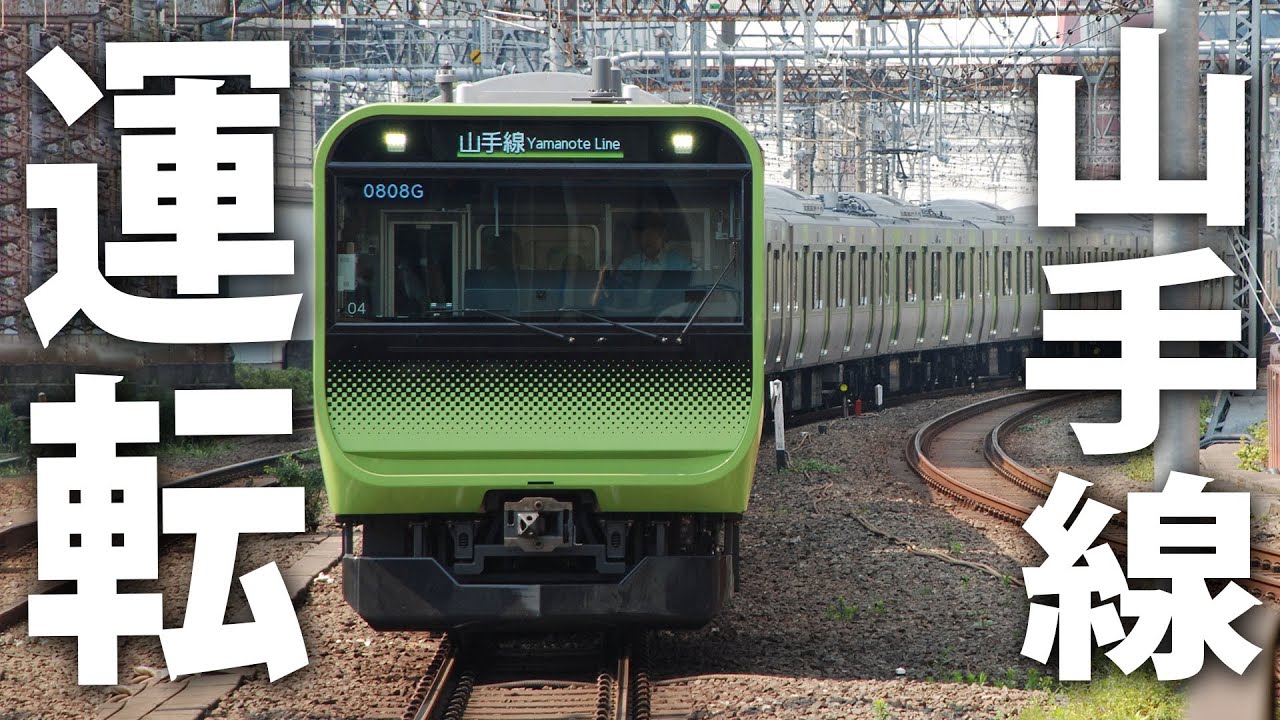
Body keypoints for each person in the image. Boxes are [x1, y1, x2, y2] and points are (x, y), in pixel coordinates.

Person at [592, 214, 693, 307]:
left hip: (672, 319)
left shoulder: (681, 262)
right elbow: (615, 293)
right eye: (643, 235)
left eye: (652, 235)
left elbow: (696, 287)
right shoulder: (629, 264)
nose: (647, 239)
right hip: (637, 318)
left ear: (662, 236)